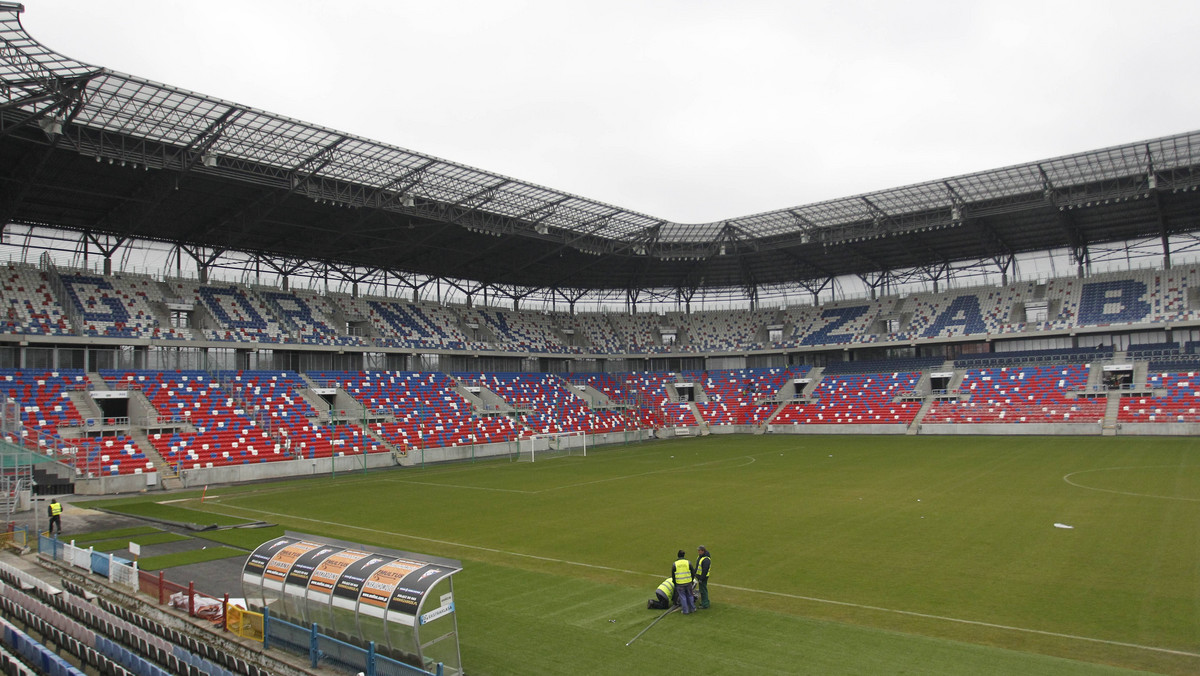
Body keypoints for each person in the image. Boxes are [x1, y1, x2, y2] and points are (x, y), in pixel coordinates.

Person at [671, 549, 695, 614]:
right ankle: (692, 609)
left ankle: (685, 611)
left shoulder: (675, 564)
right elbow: (693, 572)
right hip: (688, 582)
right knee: (690, 595)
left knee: (682, 597)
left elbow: (673, 575)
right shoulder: (688, 562)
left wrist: (675, 582)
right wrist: (692, 580)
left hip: (680, 583)